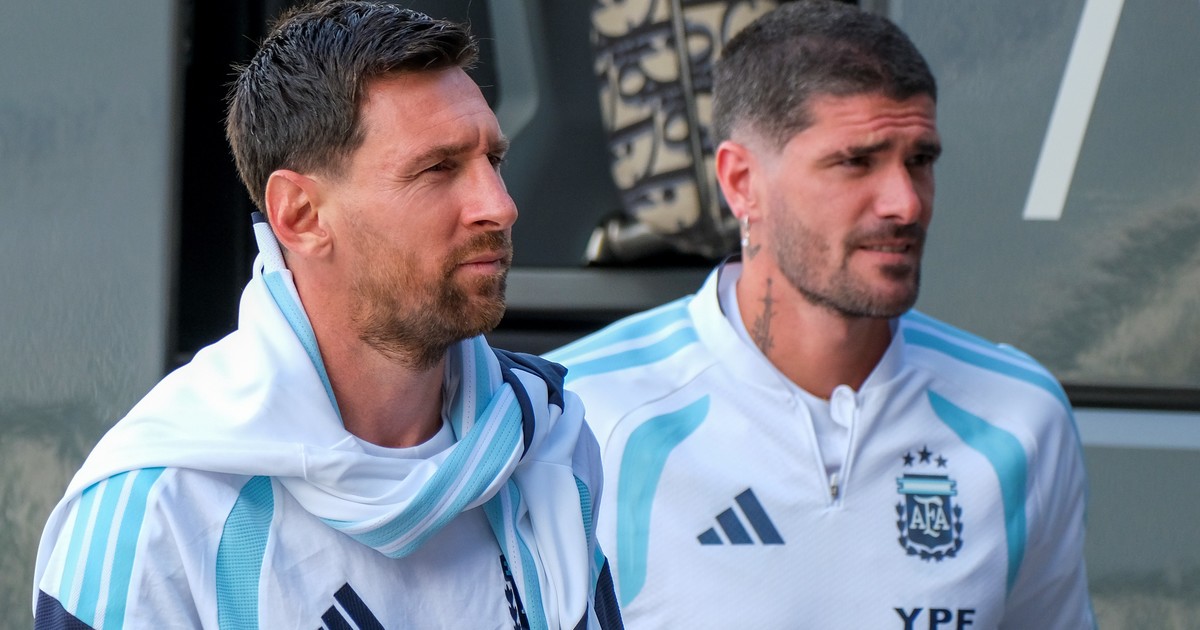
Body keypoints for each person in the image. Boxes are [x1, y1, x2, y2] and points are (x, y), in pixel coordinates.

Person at [33, 2, 622, 628]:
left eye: (493, 161)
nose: (499, 206)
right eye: (438, 168)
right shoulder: (159, 513)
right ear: (301, 216)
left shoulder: (544, 440)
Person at [547, 1, 1094, 628]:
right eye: (856, 161)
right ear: (741, 182)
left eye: (920, 160)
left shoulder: (1018, 417)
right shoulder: (583, 415)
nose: (906, 203)